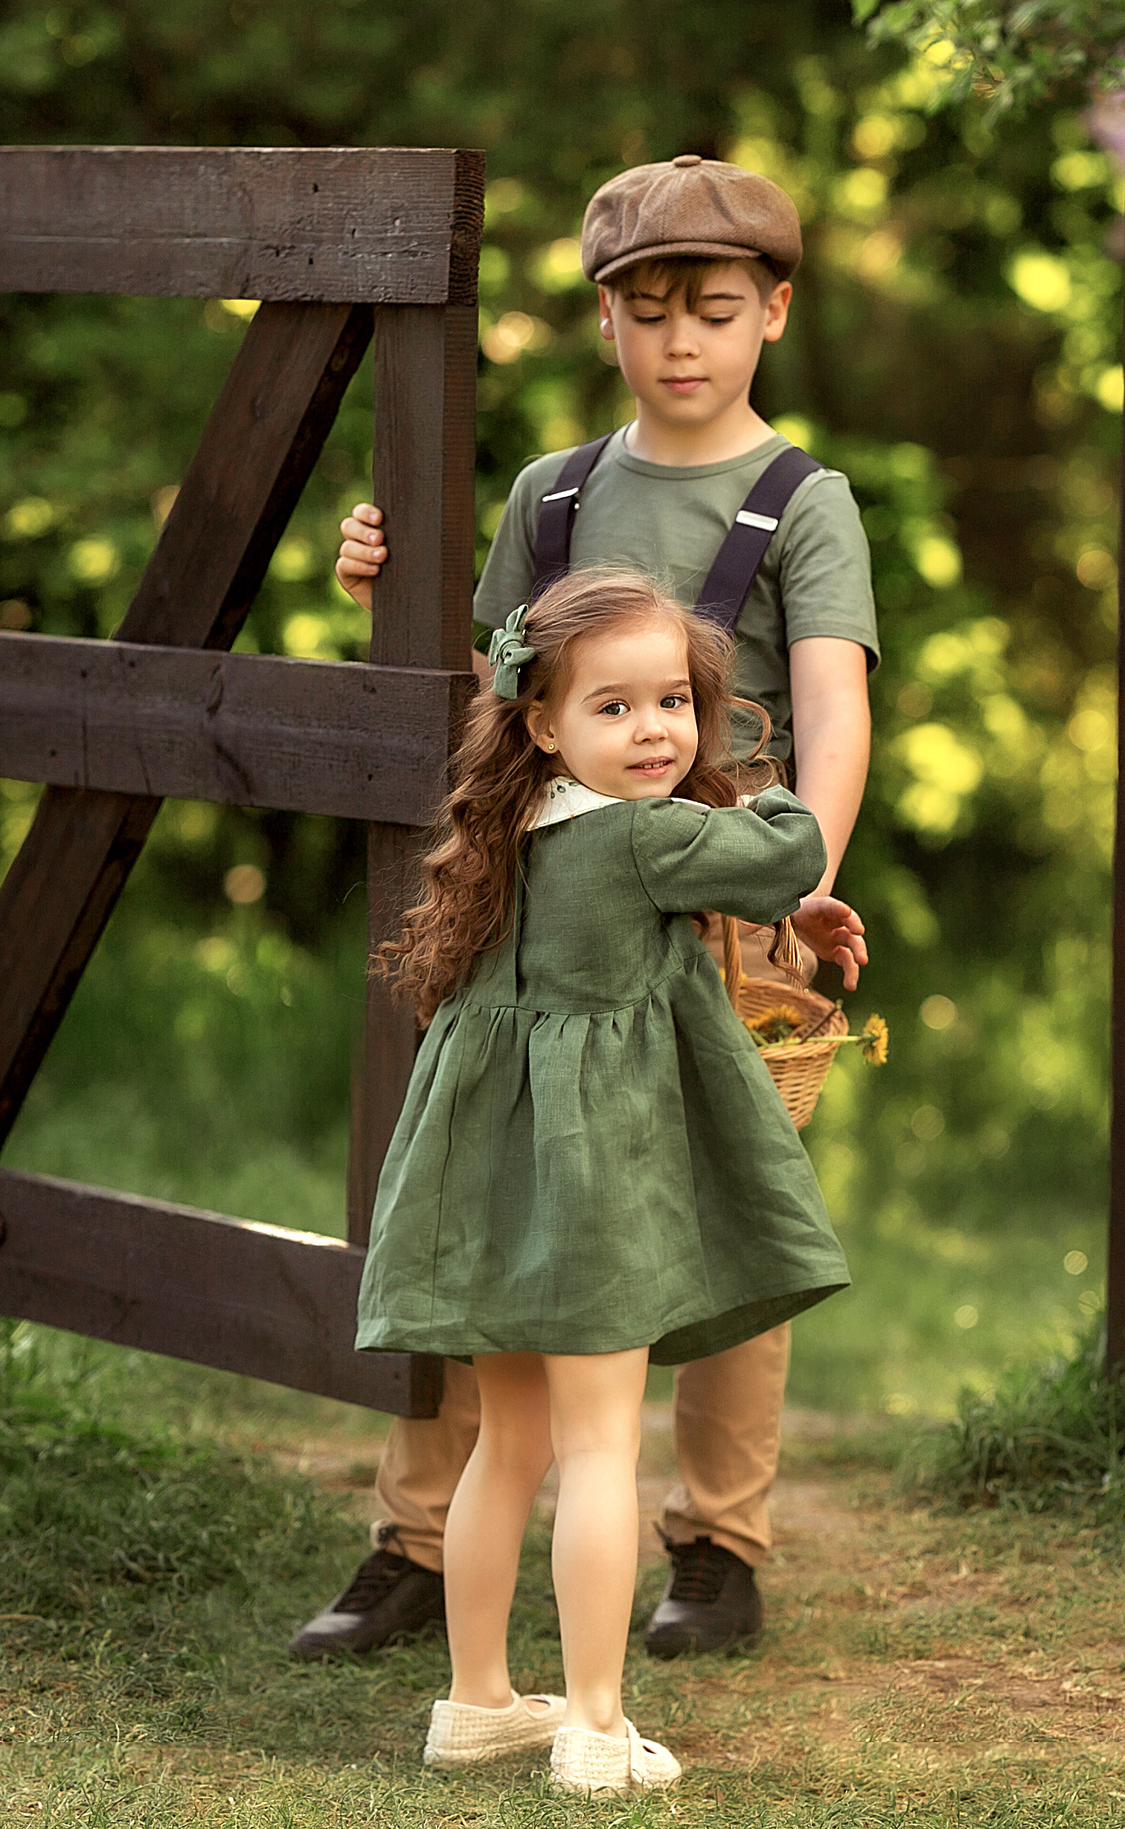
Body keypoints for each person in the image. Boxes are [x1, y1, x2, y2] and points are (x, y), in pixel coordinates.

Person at [298, 151, 879, 1666]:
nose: (681, 340)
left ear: (774, 313)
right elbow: (496, 678)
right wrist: (381, 578)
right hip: (541, 888)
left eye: (716, 308)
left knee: (721, 1194)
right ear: (607, 321)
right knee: (493, 1193)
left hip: (722, 884)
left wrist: (801, 877)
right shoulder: (555, 491)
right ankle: (419, 1539)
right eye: (648, 310)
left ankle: (721, 1541)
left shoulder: (802, 501)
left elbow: (831, 706)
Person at [356, 566, 855, 1793]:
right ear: (543, 723)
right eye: (616, 708)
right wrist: (753, 756)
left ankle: (475, 1699)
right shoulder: (648, 837)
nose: (654, 732)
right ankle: (590, 1721)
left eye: (675, 704)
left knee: (506, 1442)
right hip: (590, 1188)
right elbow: (786, 848)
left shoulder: (508, 832)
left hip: (491, 1182)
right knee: (596, 1448)